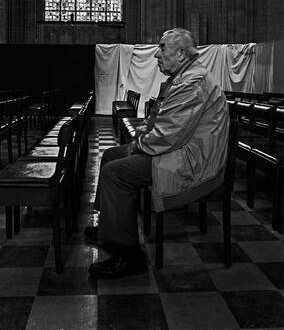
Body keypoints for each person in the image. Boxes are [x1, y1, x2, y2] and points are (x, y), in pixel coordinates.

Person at [87, 27, 229, 279]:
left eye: (162, 48)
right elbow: (155, 121)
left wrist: (138, 144)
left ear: (182, 54)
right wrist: (140, 138)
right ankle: (107, 225)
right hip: (177, 150)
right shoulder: (179, 79)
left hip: (191, 161)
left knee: (115, 173)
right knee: (110, 155)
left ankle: (129, 257)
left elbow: (167, 135)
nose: (156, 55)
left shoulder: (192, 83)